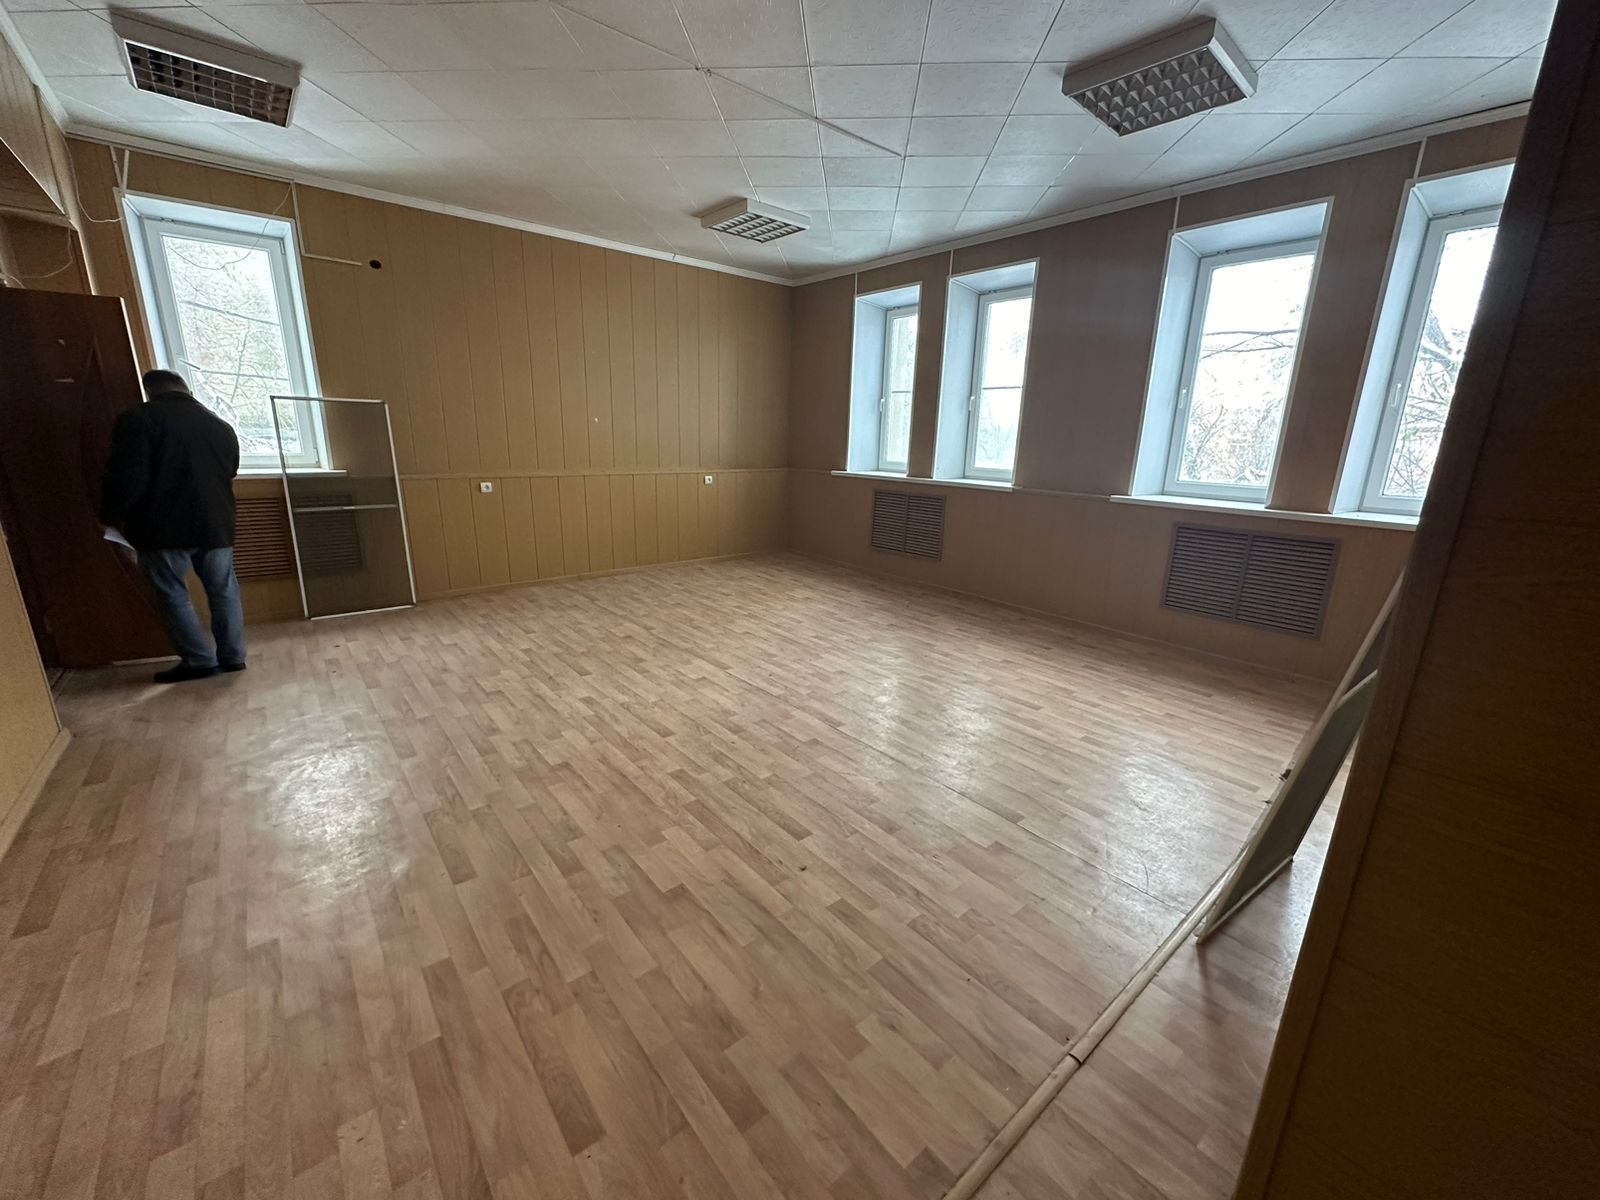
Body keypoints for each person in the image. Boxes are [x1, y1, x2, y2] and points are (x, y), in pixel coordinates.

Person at [100, 369, 247, 683]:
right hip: (215, 523)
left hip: (162, 525)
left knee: (171, 593)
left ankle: (199, 660)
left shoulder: (138, 420)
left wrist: (110, 515)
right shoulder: (220, 426)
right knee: (224, 590)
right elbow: (230, 470)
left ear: (150, 391)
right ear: (185, 389)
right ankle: (234, 656)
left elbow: (128, 476)